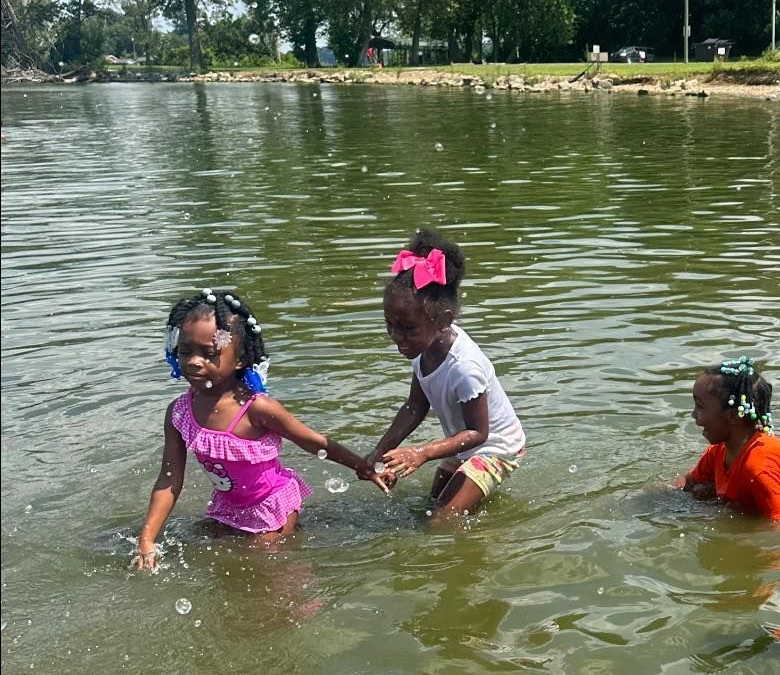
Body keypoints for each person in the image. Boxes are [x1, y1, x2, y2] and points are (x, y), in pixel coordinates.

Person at [135, 289, 387, 570]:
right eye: (185, 351)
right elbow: (169, 480)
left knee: (263, 565)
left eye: (209, 354)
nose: (194, 361)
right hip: (228, 505)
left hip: (272, 505)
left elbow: (313, 442)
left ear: (240, 359)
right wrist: (147, 539)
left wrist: (363, 466)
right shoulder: (179, 412)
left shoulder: (256, 408)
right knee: (216, 561)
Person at [367, 230, 526, 519]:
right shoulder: (422, 349)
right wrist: (380, 452)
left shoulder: (464, 367)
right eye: (389, 324)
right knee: (430, 507)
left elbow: (479, 432)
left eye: (407, 328)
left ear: (442, 321)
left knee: (442, 522)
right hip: (465, 441)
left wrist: (422, 452)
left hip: (497, 447)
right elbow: (414, 407)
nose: (395, 336)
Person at [672, 358, 780, 521]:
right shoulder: (719, 451)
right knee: (701, 492)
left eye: (700, 406)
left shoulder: (759, 468)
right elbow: (688, 482)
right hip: (758, 503)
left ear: (733, 416)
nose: (693, 415)